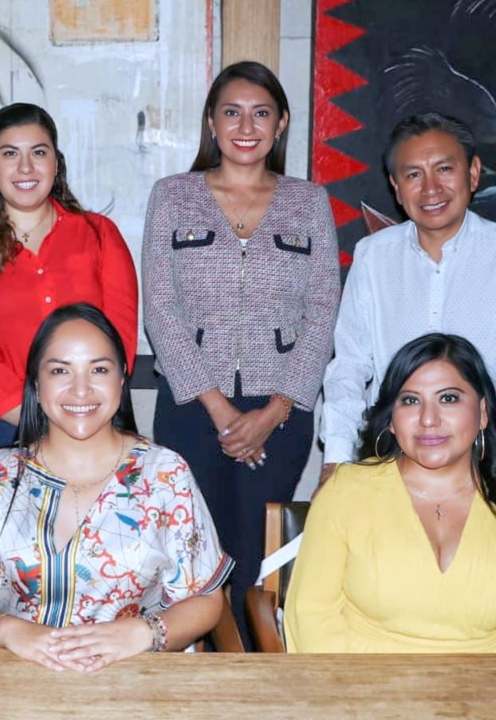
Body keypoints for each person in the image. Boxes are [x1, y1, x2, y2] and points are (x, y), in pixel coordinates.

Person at [141, 60, 340, 645]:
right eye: (232, 112)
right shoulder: (173, 196)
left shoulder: (309, 204)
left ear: (280, 125)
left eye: (261, 113)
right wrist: (221, 410)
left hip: (279, 413)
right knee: (191, 556)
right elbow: (160, 307)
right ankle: (190, 682)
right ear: (211, 122)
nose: (245, 125)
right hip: (191, 407)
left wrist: (276, 410)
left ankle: (255, 674)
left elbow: (323, 312)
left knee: (258, 558)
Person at [0, 303, 232, 671]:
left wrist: (141, 633)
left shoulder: (165, 474)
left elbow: (206, 599)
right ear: (35, 382)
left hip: (138, 679)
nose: (80, 390)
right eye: (60, 370)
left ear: (122, 378)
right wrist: (9, 631)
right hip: (17, 679)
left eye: (99, 370)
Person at [320, 113, 496, 488]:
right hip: (388, 461)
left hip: (480, 461)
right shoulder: (372, 256)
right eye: (413, 174)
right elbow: (349, 364)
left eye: (444, 169)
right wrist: (336, 457)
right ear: (396, 188)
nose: (430, 188)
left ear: (474, 173)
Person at [286, 333, 496, 653]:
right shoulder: (346, 493)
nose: (428, 419)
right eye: (410, 400)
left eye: (448, 398)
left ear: (483, 412)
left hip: (489, 695)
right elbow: (311, 617)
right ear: (391, 420)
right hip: (364, 689)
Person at [0, 103, 138, 510]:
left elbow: (119, 335)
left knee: (90, 562)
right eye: (10, 154)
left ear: (57, 163)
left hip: (87, 422)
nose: (26, 167)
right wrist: (32, 416)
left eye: (39, 152)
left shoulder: (99, 235)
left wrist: (80, 407)